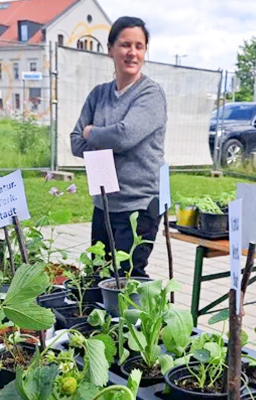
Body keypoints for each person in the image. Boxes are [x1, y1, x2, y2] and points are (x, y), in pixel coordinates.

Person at [70, 16, 167, 278]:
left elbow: (125, 135)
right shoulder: (98, 95)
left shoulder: (150, 95)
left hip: (139, 204)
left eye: (139, 46)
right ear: (110, 49)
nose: (132, 53)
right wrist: (105, 139)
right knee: (99, 275)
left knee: (128, 278)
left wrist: (93, 132)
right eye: (125, 45)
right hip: (103, 203)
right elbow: (76, 142)